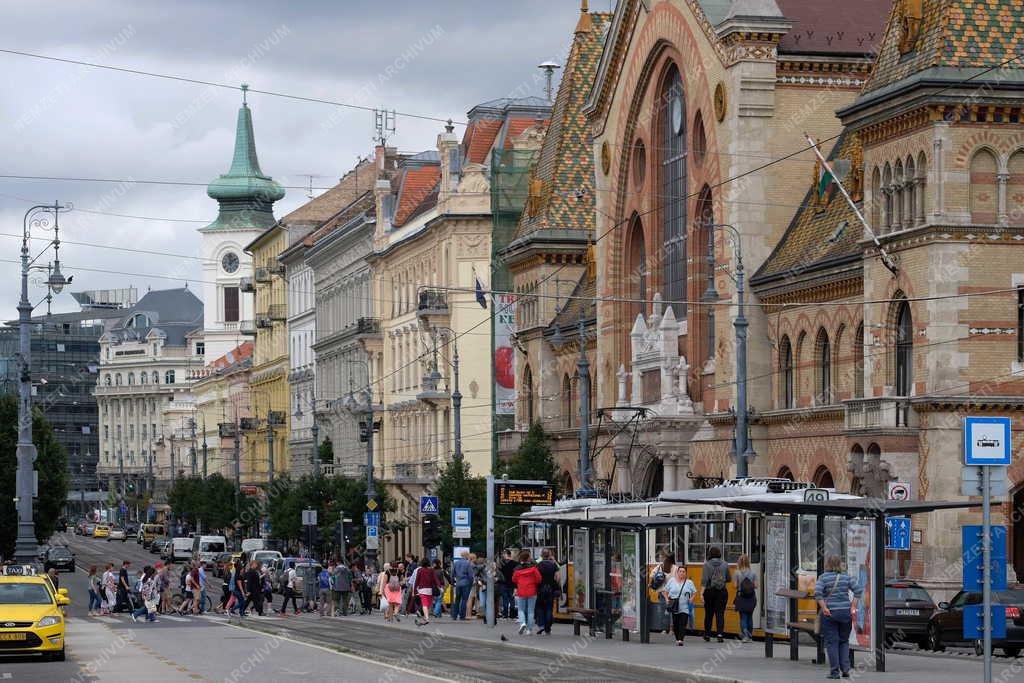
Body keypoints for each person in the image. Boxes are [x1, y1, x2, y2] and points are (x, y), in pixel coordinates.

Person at [815, 555, 863, 680]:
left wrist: (824, 607)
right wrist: (853, 606)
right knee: (844, 641)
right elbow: (858, 590)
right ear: (840, 564)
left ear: (827, 564)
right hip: (845, 613)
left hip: (830, 614)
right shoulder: (846, 577)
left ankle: (834, 672)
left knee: (832, 642)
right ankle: (846, 670)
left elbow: (817, 593)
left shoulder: (823, 578)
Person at [661, 566, 697, 646]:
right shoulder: (672, 581)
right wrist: (667, 599)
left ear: (686, 573)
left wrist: (691, 598)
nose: (682, 573)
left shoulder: (689, 582)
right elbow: (664, 591)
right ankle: (677, 638)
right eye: (680, 571)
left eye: (683, 572)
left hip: (685, 607)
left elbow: (694, 592)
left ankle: (681, 639)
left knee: (683, 623)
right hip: (674, 607)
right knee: (676, 624)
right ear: (677, 572)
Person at [700, 547, 730, 642]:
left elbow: (704, 580)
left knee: (709, 614)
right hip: (722, 591)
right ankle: (720, 634)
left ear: (710, 554)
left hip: (709, 591)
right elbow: (729, 578)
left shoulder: (706, 565)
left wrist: (701, 593)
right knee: (720, 613)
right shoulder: (725, 564)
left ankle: (707, 634)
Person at [511, 550, 541, 635]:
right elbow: (539, 579)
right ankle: (529, 630)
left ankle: (522, 623)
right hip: (532, 591)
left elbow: (513, 579)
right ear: (528, 558)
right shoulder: (533, 568)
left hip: (521, 591)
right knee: (531, 611)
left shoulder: (517, 569)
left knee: (521, 610)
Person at [733, 554, 758, 643]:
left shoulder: (737, 572)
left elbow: (735, 586)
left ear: (739, 562)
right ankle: (750, 637)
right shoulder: (753, 573)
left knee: (743, 617)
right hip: (751, 597)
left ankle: (745, 636)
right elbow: (756, 586)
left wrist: (741, 585)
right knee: (750, 617)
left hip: (741, 597)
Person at [534, 549, 560, 635]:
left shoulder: (538, 565)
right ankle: (548, 628)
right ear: (549, 555)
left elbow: (536, 578)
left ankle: (541, 625)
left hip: (540, 589)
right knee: (549, 608)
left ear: (541, 555)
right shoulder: (553, 565)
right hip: (550, 589)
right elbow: (557, 577)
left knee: (540, 607)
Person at [413, 557, 441, 626]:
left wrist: (415, 590)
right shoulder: (431, 570)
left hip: (422, 589)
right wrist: (439, 587)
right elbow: (436, 579)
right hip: (429, 589)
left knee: (424, 604)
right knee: (428, 604)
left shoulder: (420, 570)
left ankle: (426, 618)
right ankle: (426, 617)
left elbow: (417, 581)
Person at [452, 551, 474, 620]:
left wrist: (455, 580)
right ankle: (462, 616)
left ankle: (454, 615)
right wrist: (471, 582)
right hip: (466, 583)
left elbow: (452, 573)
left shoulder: (456, 563)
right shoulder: (468, 564)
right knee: (464, 600)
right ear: (467, 556)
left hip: (458, 583)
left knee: (457, 600)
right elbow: (470, 575)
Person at [498, 549, 518, 619]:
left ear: (507, 554)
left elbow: (499, 573)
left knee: (505, 599)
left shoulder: (501, 564)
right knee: (511, 599)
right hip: (512, 583)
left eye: (504, 554)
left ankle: (505, 614)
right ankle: (512, 615)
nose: (503, 555)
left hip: (504, 583)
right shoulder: (515, 563)